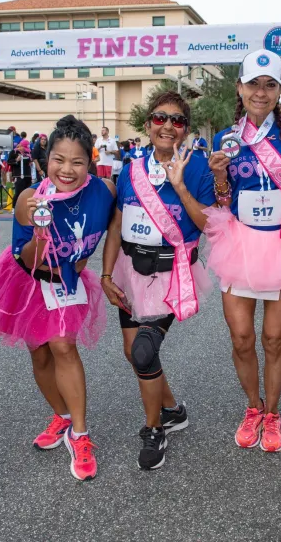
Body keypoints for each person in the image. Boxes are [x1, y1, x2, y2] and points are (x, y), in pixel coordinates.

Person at [0, 116, 115, 481]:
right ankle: (62, 416)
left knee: (64, 346)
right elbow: (26, 258)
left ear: (90, 162)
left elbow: (115, 224)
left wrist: (106, 270)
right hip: (29, 279)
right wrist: (39, 233)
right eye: (58, 159)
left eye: (77, 161)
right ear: (45, 159)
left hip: (68, 281)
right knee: (39, 353)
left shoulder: (105, 191)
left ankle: (80, 435)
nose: (66, 169)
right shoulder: (28, 199)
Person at [101, 91, 215, 470]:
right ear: (148, 124)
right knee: (132, 351)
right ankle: (171, 409)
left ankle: (154, 430)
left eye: (177, 120)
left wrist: (180, 185)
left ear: (185, 129)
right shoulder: (131, 167)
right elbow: (117, 224)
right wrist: (105, 272)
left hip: (173, 273)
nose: (168, 125)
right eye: (160, 118)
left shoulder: (198, 168)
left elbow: (207, 225)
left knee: (144, 352)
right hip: (131, 271)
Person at [205, 50, 281, 453]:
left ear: (280, 90)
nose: (261, 92)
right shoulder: (225, 139)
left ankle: (274, 411)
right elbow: (224, 199)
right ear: (240, 88)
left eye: (270, 84)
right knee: (242, 337)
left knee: (274, 339)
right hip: (241, 243)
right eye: (253, 84)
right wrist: (217, 176)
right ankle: (253, 406)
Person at [9, 136, 34, 208]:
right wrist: (16, 160)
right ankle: (14, 207)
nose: (25, 150)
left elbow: (29, 162)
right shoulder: (14, 152)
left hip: (27, 175)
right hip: (18, 175)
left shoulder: (28, 153)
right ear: (20, 146)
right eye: (24, 148)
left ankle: (25, 207)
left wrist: (30, 162)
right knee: (18, 192)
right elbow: (9, 162)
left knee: (27, 192)